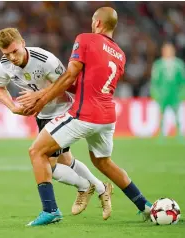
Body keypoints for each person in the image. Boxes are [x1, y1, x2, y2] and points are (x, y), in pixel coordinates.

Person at [19, 7, 152, 227]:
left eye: (93, 21)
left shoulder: (86, 39)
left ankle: (50, 210)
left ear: (98, 23)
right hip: (108, 117)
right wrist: (48, 89)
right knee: (103, 162)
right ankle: (145, 206)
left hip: (84, 115)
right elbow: (85, 85)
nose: (92, 24)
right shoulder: (120, 54)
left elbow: (71, 74)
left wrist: (40, 100)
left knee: (36, 151)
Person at [0, 28, 113, 221]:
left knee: (47, 164)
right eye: (6, 54)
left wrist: (38, 96)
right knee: (66, 161)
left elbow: (65, 85)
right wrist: (13, 107)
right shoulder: (6, 63)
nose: (12, 57)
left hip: (61, 111)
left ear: (22, 42)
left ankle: (84, 187)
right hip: (42, 114)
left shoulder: (44, 59)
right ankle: (101, 188)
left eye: (15, 51)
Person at [150, 43, 185, 140]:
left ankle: (179, 134)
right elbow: (154, 82)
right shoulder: (158, 65)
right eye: (166, 50)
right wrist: (155, 94)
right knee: (161, 114)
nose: (168, 52)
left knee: (177, 114)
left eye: (170, 50)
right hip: (163, 94)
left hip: (175, 94)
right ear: (163, 51)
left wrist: (182, 94)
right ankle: (161, 134)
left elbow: (182, 81)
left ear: (174, 51)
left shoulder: (179, 64)